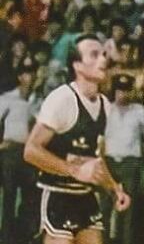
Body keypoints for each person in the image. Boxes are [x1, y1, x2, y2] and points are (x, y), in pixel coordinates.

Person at [24, 34, 131, 244]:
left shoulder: (105, 105)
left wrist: (114, 188)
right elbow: (30, 151)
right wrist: (74, 170)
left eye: (104, 54)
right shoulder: (62, 99)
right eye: (94, 55)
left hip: (85, 196)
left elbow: (97, 158)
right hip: (56, 194)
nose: (103, 59)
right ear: (77, 65)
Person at [102, 73, 144, 244]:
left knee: (129, 207)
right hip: (109, 161)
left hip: (130, 162)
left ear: (131, 92)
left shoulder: (139, 111)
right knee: (105, 206)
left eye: (125, 90)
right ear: (114, 92)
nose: (122, 94)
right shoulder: (106, 109)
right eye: (119, 90)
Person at [0, 65, 39, 244]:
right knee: (9, 194)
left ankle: (23, 234)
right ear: (20, 77)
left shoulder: (36, 101)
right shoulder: (7, 99)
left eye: (32, 73)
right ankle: (6, 237)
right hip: (11, 151)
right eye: (27, 73)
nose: (30, 77)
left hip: (29, 152)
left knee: (30, 194)